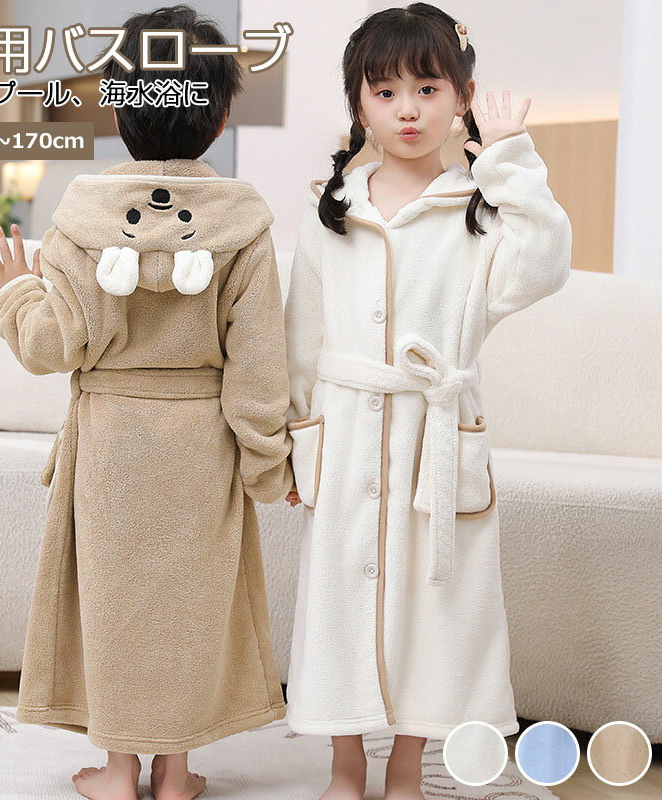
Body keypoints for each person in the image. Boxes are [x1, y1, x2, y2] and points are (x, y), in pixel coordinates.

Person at [0, 5, 293, 800]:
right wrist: (268, 469)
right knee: (190, 604)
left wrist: (15, 290)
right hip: (203, 450)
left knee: (113, 603)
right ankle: (175, 771)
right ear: (221, 118)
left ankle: (117, 770)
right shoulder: (244, 224)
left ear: (119, 113)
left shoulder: (80, 217)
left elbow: (50, 345)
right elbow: (260, 372)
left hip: (111, 447)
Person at [282, 4, 572, 799]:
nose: (407, 110)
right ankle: (346, 764)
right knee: (339, 603)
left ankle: (407, 764)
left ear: (461, 97)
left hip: (436, 438)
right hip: (345, 434)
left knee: (436, 612)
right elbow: (300, 336)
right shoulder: (331, 209)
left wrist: (510, 157)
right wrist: (298, 443)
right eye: (384, 92)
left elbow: (545, 264)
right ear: (359, 105)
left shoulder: (480, 208)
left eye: (427, 88)